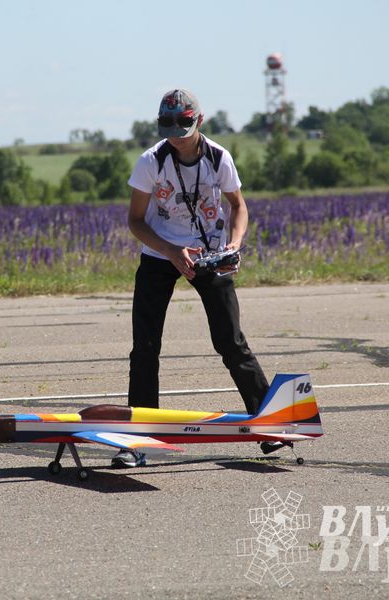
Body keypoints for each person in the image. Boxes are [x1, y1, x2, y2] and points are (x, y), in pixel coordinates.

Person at [112, 88, 270, 468]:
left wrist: (233, 244)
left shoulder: (219, 158)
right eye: (167, 123)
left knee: (230, 342)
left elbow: (239, 206)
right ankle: (138, 441)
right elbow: (135, 221)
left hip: (208, 253)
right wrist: (169, 251)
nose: (176, 130)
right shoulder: (151, 161)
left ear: (199, 120)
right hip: (160, 253)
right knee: (145, 349)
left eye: (184, 122)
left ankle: (270, 424)